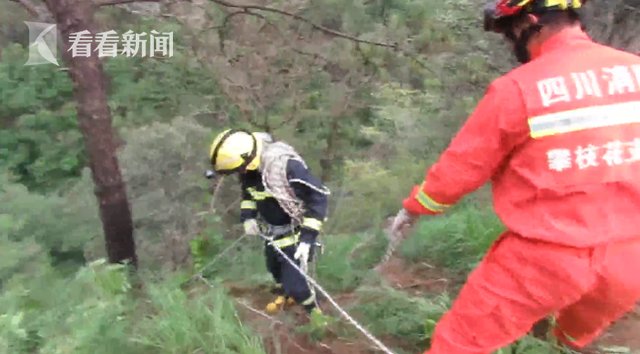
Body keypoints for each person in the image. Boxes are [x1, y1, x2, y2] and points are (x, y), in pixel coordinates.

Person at [390, 0, 640, 353]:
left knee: (459, 344)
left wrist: (415, 207)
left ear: (529, 23)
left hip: (544, 257)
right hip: (630, 259)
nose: (511, 44)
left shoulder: (519, 89)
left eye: (510, 34)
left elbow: (461, 168)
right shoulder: (633, 69)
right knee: (569, 341)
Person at [206, 128, 330, 321]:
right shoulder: (249, 171)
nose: (239, 174)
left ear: (247, 159)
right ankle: (286, 294)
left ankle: (315, 313)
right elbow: (248, 194)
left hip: (295, 235)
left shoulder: (287, 167)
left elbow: (318, 197)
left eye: (238, 170)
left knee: (298, 284)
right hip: (272, 234)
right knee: (274, 269)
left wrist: (307, 239)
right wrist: (248, 217)